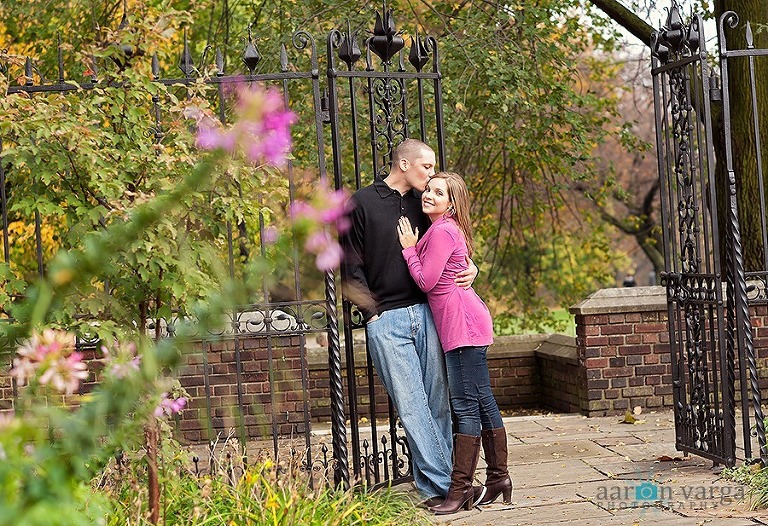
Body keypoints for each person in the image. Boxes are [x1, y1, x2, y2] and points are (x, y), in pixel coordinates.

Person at [342, 139, 478, 505]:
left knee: (437, 404)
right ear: (404, 164)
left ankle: (435, 488)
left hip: (429, 315)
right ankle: (453, 485)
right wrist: (374, 315)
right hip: (387, 321)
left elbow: (453, 241)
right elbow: (350, 268)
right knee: (412, 407)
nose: (432, 175)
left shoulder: (425, 204)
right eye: (427, 167)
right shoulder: (362, 203)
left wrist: (471, 267)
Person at [397, 172, 513, 515]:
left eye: (438, 192)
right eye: (429, 189)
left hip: (462, 326)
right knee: (482, 401)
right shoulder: (443, 230)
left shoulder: (444, 230)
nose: (429, 195)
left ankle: (460, 489)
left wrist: (407, 250)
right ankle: (498, 478)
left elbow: (426, 281)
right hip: (465, 323)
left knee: (465, 406)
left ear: (452, 203)